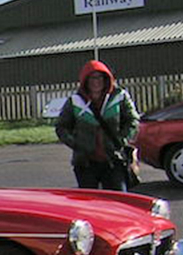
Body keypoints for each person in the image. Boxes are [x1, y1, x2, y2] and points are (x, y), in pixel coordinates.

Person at [55, 59, 139, 191]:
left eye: (100, 77)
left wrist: (123, 138)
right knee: (89, 203)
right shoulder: (75, 101)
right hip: (85, 162)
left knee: (119, 199)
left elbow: (133, 120)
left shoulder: (120, 97)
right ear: (85, 81)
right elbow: (61, 127)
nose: (97, 82)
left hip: (114, 159)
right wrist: (76, 144)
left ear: (107, 79)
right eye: (92, 78)